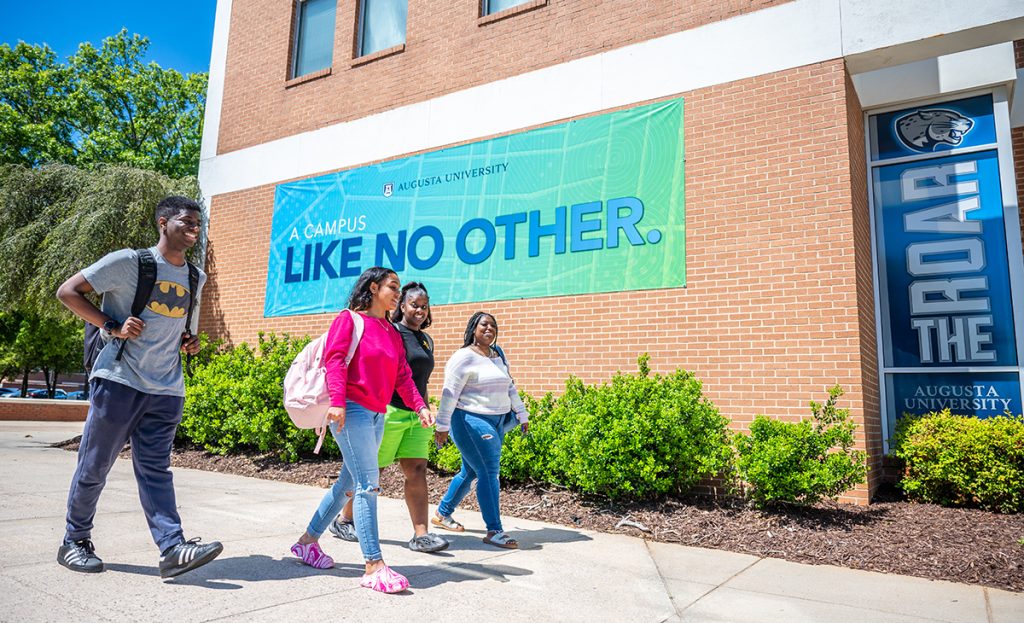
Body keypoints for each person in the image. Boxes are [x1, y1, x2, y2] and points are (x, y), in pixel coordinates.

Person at [55, 195, 223, 578]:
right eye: (187, 220)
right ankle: (74, 540)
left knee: (156, 470)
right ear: (163, 223)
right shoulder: (128, 261)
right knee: (95, 463)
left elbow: (180, 327)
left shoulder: (197, 277)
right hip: (119, 381)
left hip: (167, 388)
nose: (195, 227)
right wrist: (110, 325)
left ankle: (172, 548)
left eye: (198, 222)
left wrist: (189, 341)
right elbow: (68, 292)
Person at [291, 267, 433, 594]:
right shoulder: (349, 320)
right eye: (392, 286)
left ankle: (306, 542)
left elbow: (402, 377)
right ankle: (374, 565)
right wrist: (337, 401)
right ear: (373, 287)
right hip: (350, 409)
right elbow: (335, 359)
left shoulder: (390, 331)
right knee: (369, 484)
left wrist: (420, 407)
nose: (397, 293)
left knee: (349, 483)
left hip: (377, 414)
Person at [329, 282, 449, 553]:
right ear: (402, 306)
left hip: (417, 415)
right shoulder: (391, 332)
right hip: (389, 411)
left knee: (417, 470)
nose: (419, 310)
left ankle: (421, 535)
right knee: (372, 472)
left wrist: (424, 408)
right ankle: (343, 519)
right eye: (413, 304)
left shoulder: (425, 339)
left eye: (424, 306)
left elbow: (418, 379)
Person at [432, 312, 529, 549]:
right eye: (484, 324)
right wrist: (442, 426)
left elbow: (510, 387)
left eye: (493, 325)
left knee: (471, 471)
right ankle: (494, 530)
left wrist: (522, 414)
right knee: (488, 471)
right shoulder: (463, 357)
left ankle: (442, 514)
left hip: (497, 421)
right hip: (469, 419)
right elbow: (449, 393)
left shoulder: (498, 355)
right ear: (472, 328)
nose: (489, 328)